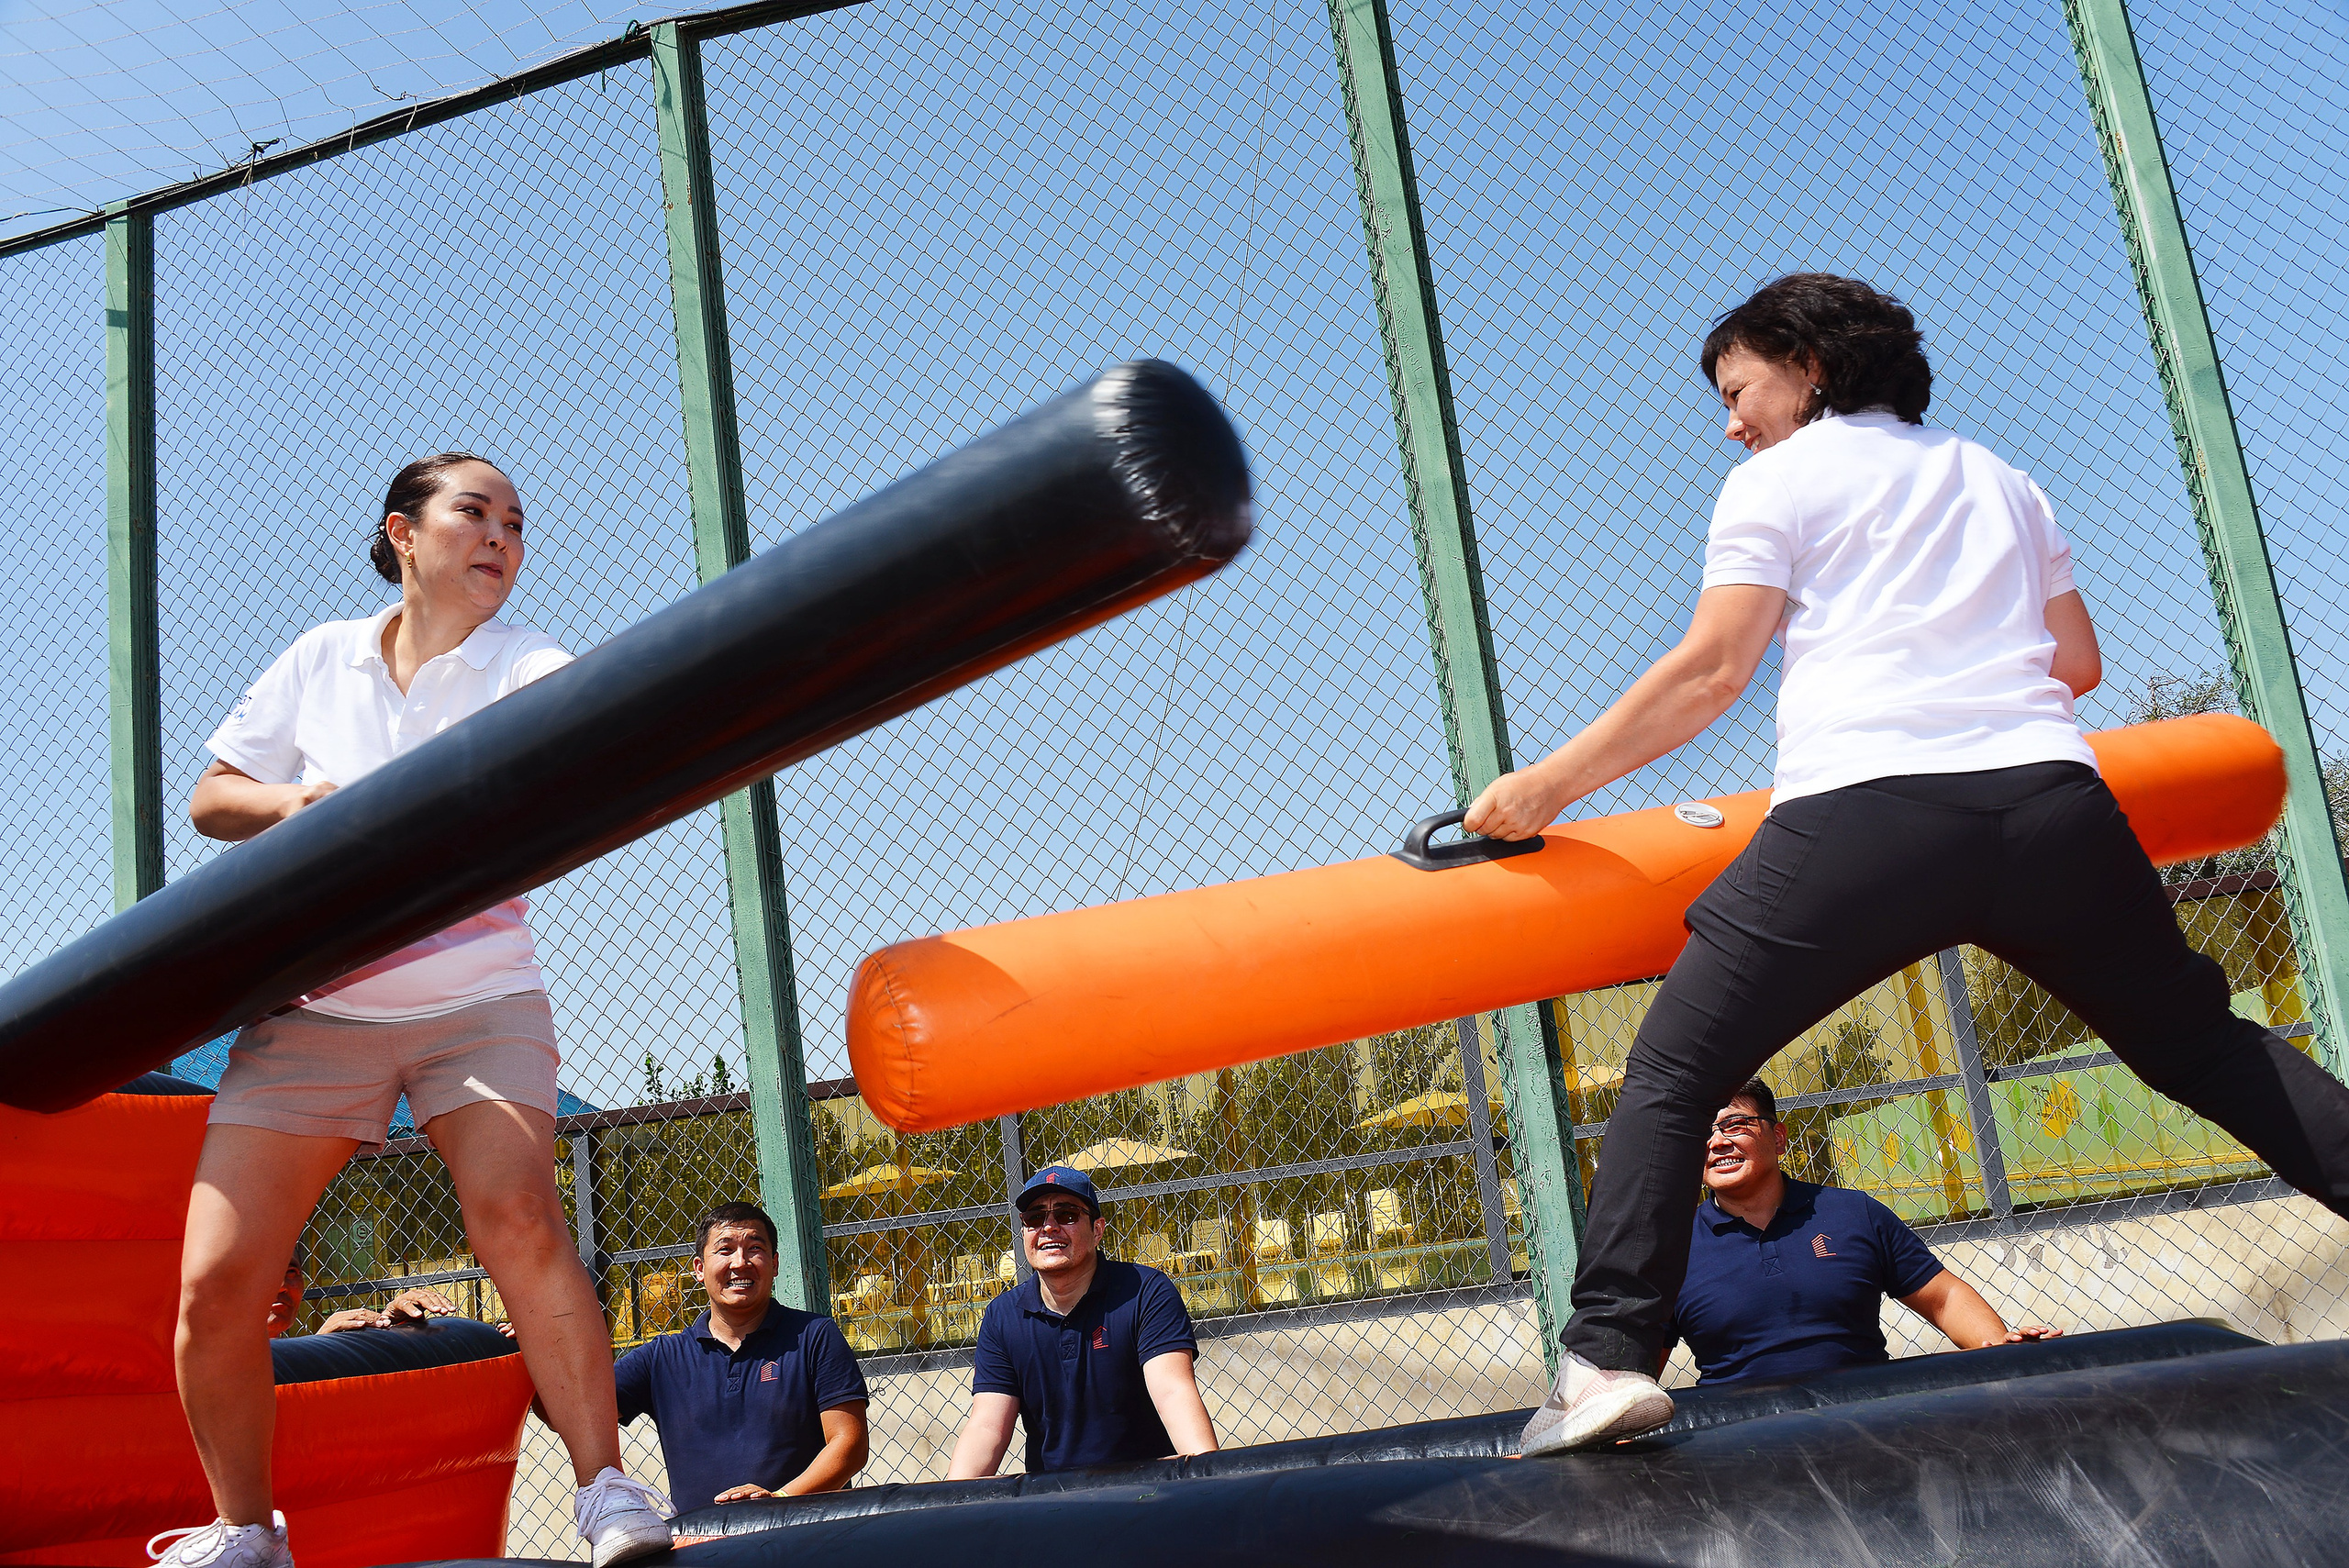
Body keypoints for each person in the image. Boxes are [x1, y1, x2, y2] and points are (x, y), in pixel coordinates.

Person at [1464, 275, 2349, 1453]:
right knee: (2202, 1045)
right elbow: (2074, 661)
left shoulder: (1776, 481)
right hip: (2053, 808)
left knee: (1677, 1072)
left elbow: (1709, 672)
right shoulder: (2003, 478)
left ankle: (1609, 1360)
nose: (1730, 422)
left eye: (1738, 390)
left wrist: (1541, 790)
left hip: (1868, 814)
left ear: (1806, 363)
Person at [149, 455, 671, 1568]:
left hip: (475, 996)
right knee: (213, 1282)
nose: (500, 537)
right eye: (473, 513)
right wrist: (295, 800)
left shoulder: (525, 661)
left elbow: (583, 745)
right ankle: (246, 1529)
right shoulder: (320, 656)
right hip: (318, 1006)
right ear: (402, 533)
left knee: (519, 1216)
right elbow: (210, 797)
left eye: (517, 524)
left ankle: (610, 1492)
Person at [1674, 1079, 2057, 1385]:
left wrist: (1999, 1351)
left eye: (1735, 1124)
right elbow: (1636, 1368)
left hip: (1870, 1424)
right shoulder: (1670, 1247)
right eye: (1701, 1131)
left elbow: (1943, 1298)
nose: (1717, 1142)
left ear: (1778, 1137)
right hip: (1740, 1448)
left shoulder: (1852, 1213)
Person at [947, 1165, 1217, 1476]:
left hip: (1145, 1494)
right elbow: (988, 1425)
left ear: (1098, 1229)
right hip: (1052, 1504)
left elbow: (1173, 1392)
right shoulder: (1002, 1316)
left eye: (1067, 1215)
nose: (1049, 1227)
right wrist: (950, 1508)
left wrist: (1207, 1480)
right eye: (1035, 1218)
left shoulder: (1145, 1291)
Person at [612, 1202, 871, 1509]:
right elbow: (576, 1414)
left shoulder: (815, 1336)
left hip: (804, 1539)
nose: (741, 1262)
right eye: (725, 1250)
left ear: (774, 1264)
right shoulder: (661, 1358)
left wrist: (779, 1500)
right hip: (701, 1547)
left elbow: (849, 1444)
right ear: (699, 1269)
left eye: (755, 1248)